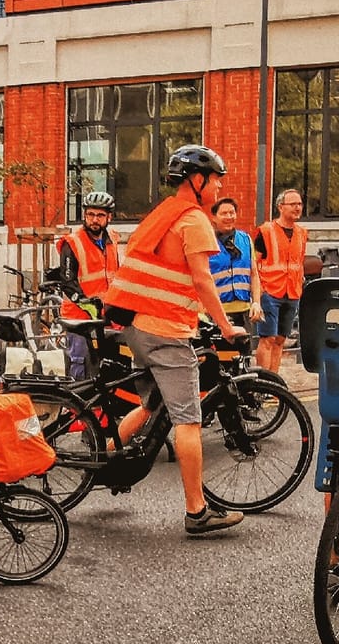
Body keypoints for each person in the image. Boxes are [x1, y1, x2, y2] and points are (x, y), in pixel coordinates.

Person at [106, 145, 249, 538]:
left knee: (150, 404)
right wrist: (225, 327)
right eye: (215, 180)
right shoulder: (194, 219)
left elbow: (166, 275)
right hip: (166, 331)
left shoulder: (162, 214)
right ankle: (197, 510)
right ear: (197, 180)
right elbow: (202, 279)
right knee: (189, 420)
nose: (219, 188)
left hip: (138, 325)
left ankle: (102, 460)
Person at [55, 191, 120, 378]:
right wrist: (86, 303)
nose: (94, 220)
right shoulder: (72, 242)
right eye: (90, 214)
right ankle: (76, 396)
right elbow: (67, 282)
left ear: (109, 217)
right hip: (79, 317)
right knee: (81, 363)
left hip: (106, 315)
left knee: (107, 364)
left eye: (100, 215)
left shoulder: (112, 239)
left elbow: (116, 274)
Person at [255, 188, 307, 374]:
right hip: (269, 292)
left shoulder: (302, 233)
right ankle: (262, 381)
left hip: (292, 292)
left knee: (280, 340)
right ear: (280, 207)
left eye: (299, 204)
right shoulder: (266, 231)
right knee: (267, 338)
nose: (297, 208)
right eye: (292, 204)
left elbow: (299, 263)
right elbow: (253, 263)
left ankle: (273, 381)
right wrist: (258, 291)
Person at [207, 197, 260, 334]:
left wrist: (256, 302)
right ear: (214, 217)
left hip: (244, 312)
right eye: (224, 213)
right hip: (216, 312)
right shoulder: (207, 241)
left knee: (244, 348)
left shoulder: (246, 239)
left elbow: (254, 274)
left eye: (232, 213)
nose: (229, 217)